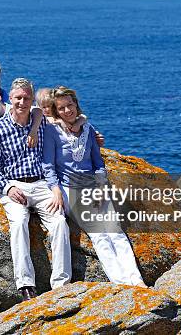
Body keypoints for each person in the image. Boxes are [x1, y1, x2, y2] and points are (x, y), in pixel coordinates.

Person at [42, 86, 146, 287]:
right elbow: (48, 165)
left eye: (70, 105)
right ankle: (121, 282)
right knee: (99, 234)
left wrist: (100, 186)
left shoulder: (88, 129)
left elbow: (98, 163)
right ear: (56, 111)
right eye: (61, 108)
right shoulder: (52, 132)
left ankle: (136, 281)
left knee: (116, 231)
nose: (67, 110)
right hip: (69, 189)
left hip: (93, 185)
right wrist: (55, 189)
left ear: (76, 105)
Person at [0, 78, 72, 301]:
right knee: (19, 223)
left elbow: (61, 117)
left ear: (32, 100)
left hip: (42, 184)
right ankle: (25, 285)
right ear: (9, 99)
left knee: (60, 222)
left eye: (26, 98)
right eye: (18, 98)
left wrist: (55, 188)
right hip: (15, 185)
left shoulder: (39, 122)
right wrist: (7, 187)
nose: (22, 102)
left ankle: (61, 284)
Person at [0, 87, 43, 181]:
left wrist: (33, 131)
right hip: (5, 150)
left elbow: (37, 111)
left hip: (23, 145)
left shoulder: (13, 109)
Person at [36, 88, 105, 147]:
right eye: (44, 107)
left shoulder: (64, 116)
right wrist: (61, 121)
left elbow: (83, 116)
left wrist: (78, 123)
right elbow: (49, 119)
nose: (47, 109)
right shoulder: (41, 118)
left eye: (49, 106)